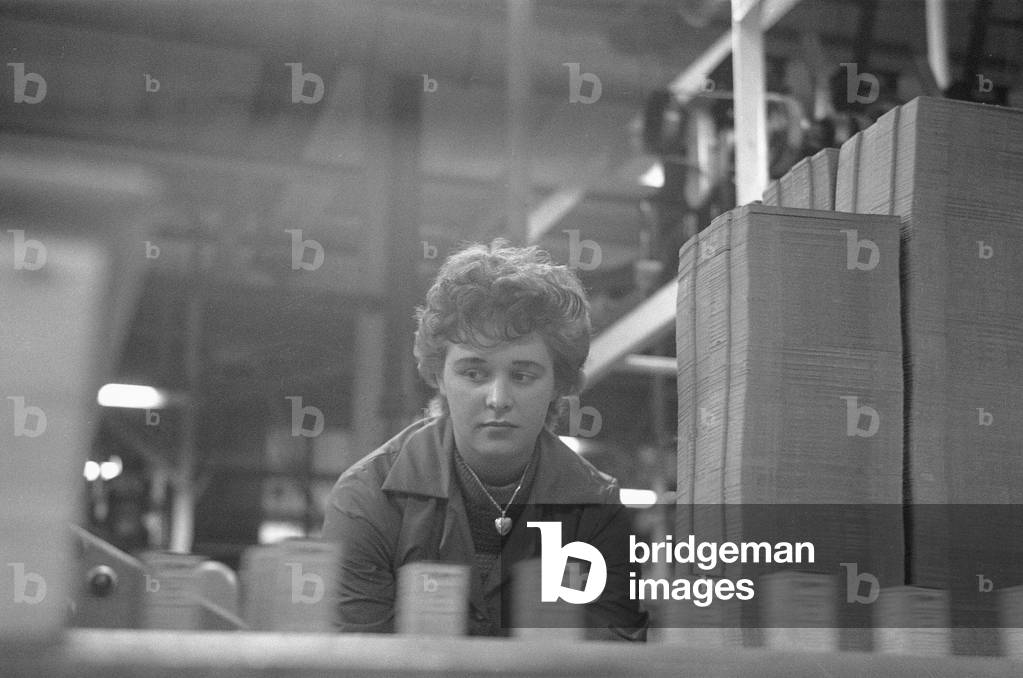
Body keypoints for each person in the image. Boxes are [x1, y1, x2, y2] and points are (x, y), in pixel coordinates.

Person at [321, 240, 648, 639]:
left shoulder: (595, 508)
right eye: (474, 373)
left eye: (522, 375)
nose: (498, 399)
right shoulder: (368, 498)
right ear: (438, 376)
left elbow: (610, 658)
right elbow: (356, 662)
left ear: (559, 384)